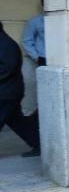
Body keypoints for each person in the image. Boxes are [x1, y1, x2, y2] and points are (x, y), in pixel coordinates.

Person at [1, 23, 40, 157]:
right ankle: (39, 144)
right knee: (18, 122)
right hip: (7, 91)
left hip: (7, 93)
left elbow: (8, 68)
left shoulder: (6, 45)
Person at [20, 2, 44, 118]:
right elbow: (27, 40)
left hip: (60, 61)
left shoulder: (64, 20)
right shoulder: (36, 21)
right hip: (40, 60)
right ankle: (31, 115)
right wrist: (36, 57)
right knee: (35, 89)